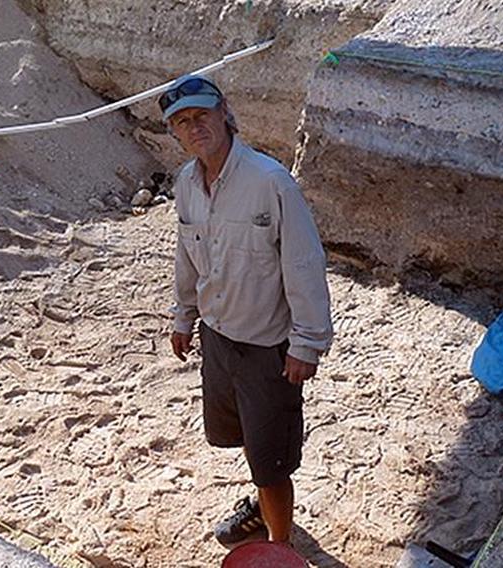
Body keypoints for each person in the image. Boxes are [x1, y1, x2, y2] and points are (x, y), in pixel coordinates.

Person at [160, 74, 333, 546]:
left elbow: (303, 264)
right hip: (217, 339)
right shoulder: (186, 183)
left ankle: (279, 548)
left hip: (268, 348)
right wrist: (184, 316)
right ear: (174, 132)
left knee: (272, 460)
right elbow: (186, 255)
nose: (195, 127)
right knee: (247, 440)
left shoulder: (270, 182)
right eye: (182, 121)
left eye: (201, 115)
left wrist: (306, 344)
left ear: (224, 114)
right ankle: (264, 508)